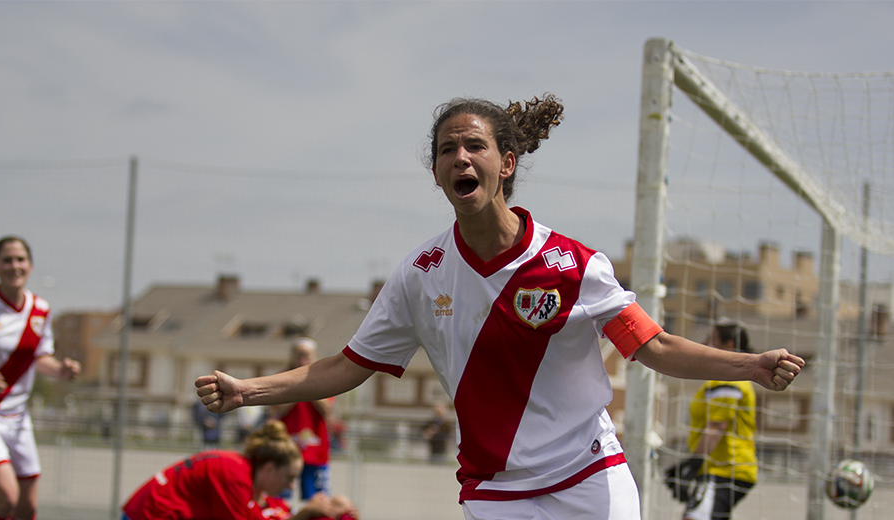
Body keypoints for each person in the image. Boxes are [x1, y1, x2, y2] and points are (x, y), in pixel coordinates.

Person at [196, 95, 805, 520]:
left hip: (588, 476)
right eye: (446, 150)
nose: (460, 157)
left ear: (505, 164)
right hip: (494, 492)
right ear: (436, 174)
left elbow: (655, 347)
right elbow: (345, 366)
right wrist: (247, 390)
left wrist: (749, 366)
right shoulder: (419, 274)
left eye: (474, 146)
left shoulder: (575, 266)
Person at [0, 235, 81, 520]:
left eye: (20, 259)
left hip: (18, 419)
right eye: (7, 260)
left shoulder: (40, 309)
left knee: (27, 509)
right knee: (6, 499)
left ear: (30, 265)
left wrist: (62, 370)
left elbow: (40, 357)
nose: (14, 266)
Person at [122, 419, 357, 520]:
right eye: (289, 477)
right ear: (269, 469)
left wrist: (326, 507)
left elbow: (268, 512)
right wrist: (304, 514)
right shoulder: (234, 476)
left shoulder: (243, 474)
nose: (291, 485)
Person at [681, 322, 757, 520]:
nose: (705, 343)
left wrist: (693, 464)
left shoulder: (727, 379)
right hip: (721, 469)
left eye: (712, 339)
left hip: (724, 469)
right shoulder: (728, 378)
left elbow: (717, 426)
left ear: (729, 345)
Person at [273, 338, 334, 500]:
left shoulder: (325, 378)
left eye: (307, 356)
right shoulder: (281, 377)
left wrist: (308, 381)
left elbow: (326, 408)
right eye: (299, 355)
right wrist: (296, 383)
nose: (303, 360)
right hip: (286, 448)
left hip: (316, 449)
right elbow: (278, 409)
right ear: (292, 356)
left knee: (316, 499)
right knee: (279, 498)